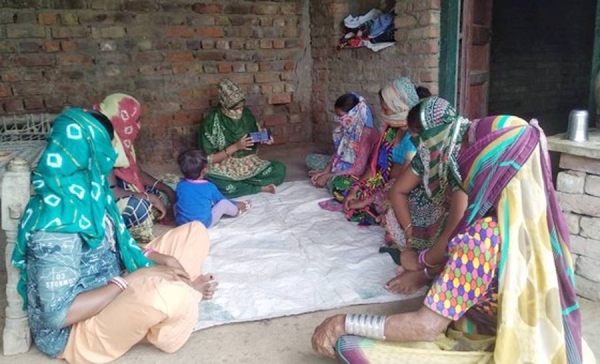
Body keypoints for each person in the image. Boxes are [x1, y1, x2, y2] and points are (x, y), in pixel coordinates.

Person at [311, 97, 594, 363]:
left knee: (350, 344)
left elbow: (426, 327)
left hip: (494, 340)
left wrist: (344, 322)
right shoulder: (548, 230)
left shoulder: (481, 238)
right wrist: (425, 268)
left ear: (485, 169)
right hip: (536, 338)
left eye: (472, 150)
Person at [12, 108, 217, 364]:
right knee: (164, 296)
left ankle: (173, 298)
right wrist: (133, 278)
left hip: (111, 278)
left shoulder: (92, 191)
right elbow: (58, 315)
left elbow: (117, 246)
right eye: (109, 145)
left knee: (194, 232)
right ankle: (184, 299)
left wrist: (157, 257)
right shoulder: (55, 225)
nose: (112, 154)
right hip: (77, 330)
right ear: (95, 149)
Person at [332, 77, 430, 225]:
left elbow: (403, 180)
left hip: (399, 187)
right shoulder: (389, 131)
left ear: (399, 107)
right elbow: (375, 168)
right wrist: (356, 189)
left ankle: (379, 210)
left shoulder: (414, 135)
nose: (382, 112)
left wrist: (366, 199)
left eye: (386, 109)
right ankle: (372, 206)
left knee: (389, 204)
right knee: (341, 184)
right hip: (382, 181)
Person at [97, 93, 177, 244]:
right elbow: (111, 191)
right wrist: (148, 197)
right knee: (139, 207)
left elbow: (135, 172)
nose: (138, 125)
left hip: (123, 190)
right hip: (101, 201)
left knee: (173, 185)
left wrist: (166, 189)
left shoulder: (122, 140)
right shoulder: (104, 144)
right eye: (135, 120)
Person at [198, 79, 286, 198]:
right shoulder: (211, 123)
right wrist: (236, 147)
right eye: (234, 109)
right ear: (224, 104)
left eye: (241, 107)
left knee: (279, 169)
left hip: (249, 164)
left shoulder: (246, 114)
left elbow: (253, 136)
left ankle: (240, 186)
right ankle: (257, 187)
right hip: (225, 166)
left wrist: (263, 138)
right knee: (210, 177)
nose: (239, 112)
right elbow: (208, 159)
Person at [306, 93, 379, 190]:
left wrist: (328, 176)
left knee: (337, 185)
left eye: (341, 116)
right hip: (341, 164)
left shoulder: (365, 133)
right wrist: (325, 171)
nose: (338, 119)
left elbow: (358, 169)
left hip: (357, 172)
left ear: (353, 113)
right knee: (310, 159)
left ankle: (331, 180)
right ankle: (328, 176)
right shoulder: (347, 127)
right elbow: (339, 154)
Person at [175, 149, 251, 227]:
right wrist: (235, 203)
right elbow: (221, 200)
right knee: (224, 203)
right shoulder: (209, 187)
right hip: (203, 224)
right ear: (204, 171)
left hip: (183, 224)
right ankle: (237, 211)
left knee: (177, 204)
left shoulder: (180, 185)